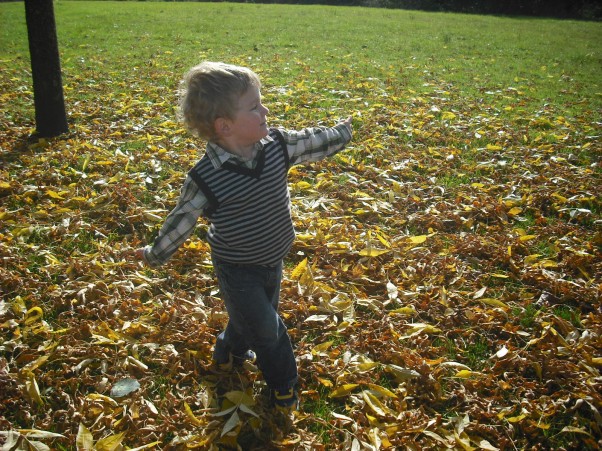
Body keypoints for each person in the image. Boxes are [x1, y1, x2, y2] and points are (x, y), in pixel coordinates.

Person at [134, 61, 353, 415]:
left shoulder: (277, 145)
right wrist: (153, 254)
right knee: (267, 329)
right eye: (254, 106)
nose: (265, 110)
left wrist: (341, 133)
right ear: (225, 126)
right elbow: (182, 219)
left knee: (251, 318)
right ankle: (283, 385)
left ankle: (229, 351)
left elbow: (312, 141)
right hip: (236, 266)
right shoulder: (206, 177)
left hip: (272, 258)